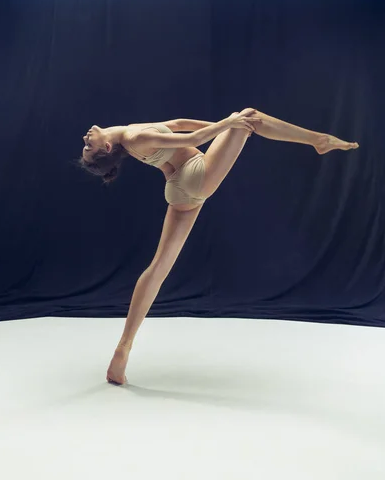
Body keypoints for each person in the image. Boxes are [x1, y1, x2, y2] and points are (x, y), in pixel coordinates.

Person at [79, 108, 359, 385]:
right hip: (195, 176)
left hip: (180, 187)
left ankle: (122, 351)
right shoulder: (135, 137)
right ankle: (317, 141)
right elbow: (193, 140)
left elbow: (179, 123)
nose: (85, 137)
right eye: (89, 146)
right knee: (249, 114)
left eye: (85, 145)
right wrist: (231, 123)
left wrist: (229, 127)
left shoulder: (131, 132)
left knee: (160, 267)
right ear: (106, 146)